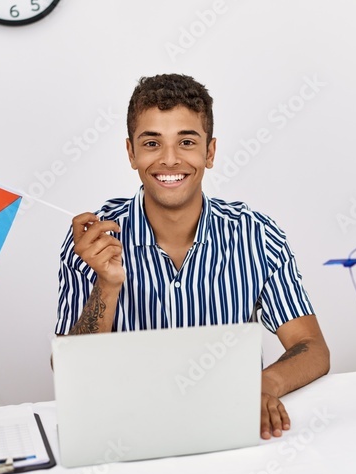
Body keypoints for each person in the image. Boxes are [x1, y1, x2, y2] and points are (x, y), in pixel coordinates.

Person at [55, 74, 329, 440]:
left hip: (230, 429)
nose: (170, 160)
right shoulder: (95, 241)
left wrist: (263, 386)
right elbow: (71, 371)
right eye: (152, 143)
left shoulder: (256, 235)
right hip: (127, 434)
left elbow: (312, 347)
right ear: (131, 153)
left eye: (186, 141)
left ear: (209, 153)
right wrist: (107, 284)